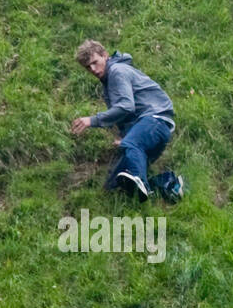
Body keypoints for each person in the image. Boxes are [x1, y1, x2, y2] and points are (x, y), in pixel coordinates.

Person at [71, 40, 180, 199]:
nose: (93, 69)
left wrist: (92, 120)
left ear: (105, 55)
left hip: (154, 121)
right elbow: (129, 115)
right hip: (153, 129)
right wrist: (128, 137)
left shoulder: (117, 71)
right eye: (88, 67)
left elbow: (126, 106)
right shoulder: (109, 81)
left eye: (95, 62)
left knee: (133, 154)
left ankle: (144, 185)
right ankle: (168, 185)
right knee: (115, 183)